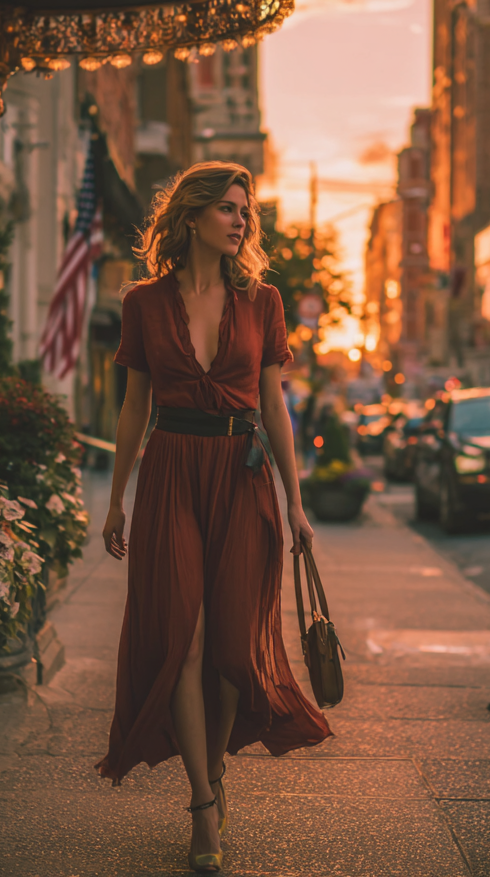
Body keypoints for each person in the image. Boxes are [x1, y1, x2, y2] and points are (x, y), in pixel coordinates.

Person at [97, 162, 332, 872]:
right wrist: (116, 498)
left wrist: (296, 501)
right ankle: (203, 804)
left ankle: (219, 772)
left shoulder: (262, 301)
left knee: (234, 649)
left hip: (243, 478)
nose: (240, 222)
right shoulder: (143, 302)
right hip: (170, 473)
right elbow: (135, 406)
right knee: (184, 641)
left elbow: (274, 406)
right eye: (228, 209)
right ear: (192, 217)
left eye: (245, 211)